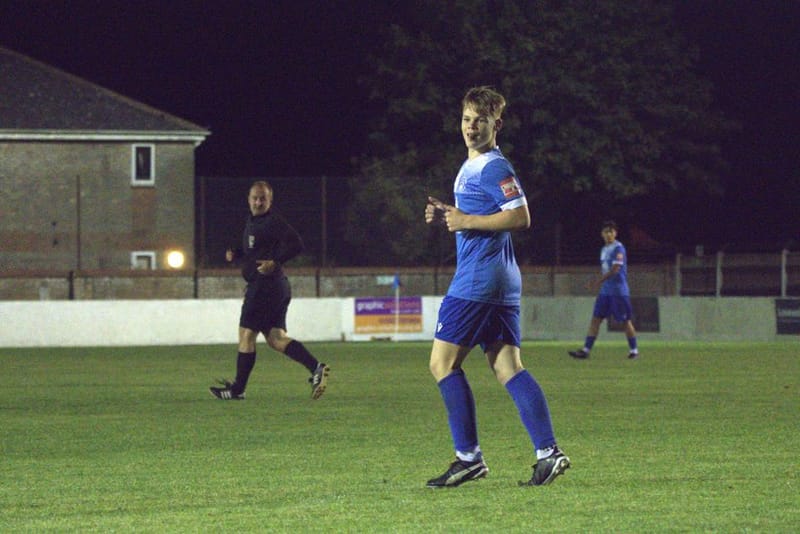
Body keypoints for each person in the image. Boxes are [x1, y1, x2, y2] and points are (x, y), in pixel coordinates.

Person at [423, 86, 570, 488]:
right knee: (508, 367)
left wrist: (465, 221)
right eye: (467, 119)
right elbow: (480, 214)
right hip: (500, 282)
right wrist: (450, 217)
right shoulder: (474, 165)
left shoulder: (492, 167)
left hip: (478, 281)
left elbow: (520, 216)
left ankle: (468, 458)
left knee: (442, 364)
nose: (471, 128)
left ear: (496, 125)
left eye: (480, 121)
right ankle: (547, 453)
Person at [209, 180, 330, 400]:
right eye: (255, 198)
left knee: (246, 335)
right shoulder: (252, 222)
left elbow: (297, 244)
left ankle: (237, 390)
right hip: (276, 288)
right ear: (248, 199)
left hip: (265, 287)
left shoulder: (273, 222)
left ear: (270, 200)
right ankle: (316, 368)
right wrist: (236, 253)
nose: (258, 202)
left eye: (263, 198)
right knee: (276, 338)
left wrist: (276, 261)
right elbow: (255, 251)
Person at [569, 220, 639, 360]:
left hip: (618, 291)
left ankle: (634, 350)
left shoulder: (619, 248)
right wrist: (600, 283)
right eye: (606, 231)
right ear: (602, 234)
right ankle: (586, 350)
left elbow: (615, 269)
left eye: (611, 231)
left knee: (625, 321)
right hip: (605, 291)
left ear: (615, 233)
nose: (609, 234)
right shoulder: (604, 249)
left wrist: (598, 282)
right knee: (596, 319)